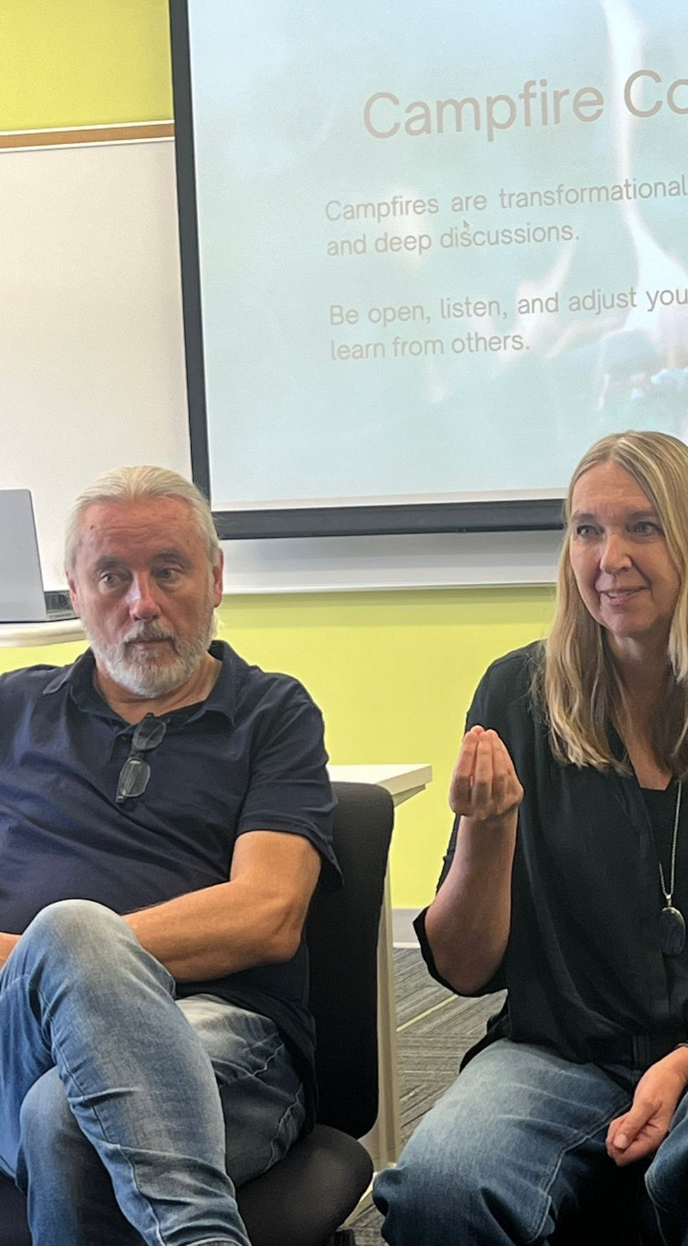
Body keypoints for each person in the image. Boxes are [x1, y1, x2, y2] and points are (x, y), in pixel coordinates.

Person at [375, 431, 688, 1246]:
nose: (610, 559)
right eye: (587, 530)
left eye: (644, 527)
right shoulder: (518, 693)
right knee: (441, 1185)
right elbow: (464, 968)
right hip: (562, 1052)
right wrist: (487, 833)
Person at [0, 466, 339, 1246]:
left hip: (228, 1037)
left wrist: (63, 955)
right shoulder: (12, 712)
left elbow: (268, 915)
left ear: (215, 578)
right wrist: (47, 968)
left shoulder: (272, 713)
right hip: (17, 1038)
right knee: (68, 956)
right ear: (74, 591)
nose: (142, 604)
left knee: (65, 1109)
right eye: (111, 577)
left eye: (168, 571)